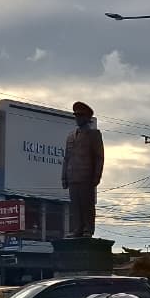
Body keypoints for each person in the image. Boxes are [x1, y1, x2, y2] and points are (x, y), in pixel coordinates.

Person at [62, 101, 105, 238]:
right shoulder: (70, 136)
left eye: (80, 116)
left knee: (87, 205)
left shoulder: (94, 135)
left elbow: (99, 157)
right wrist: (64, 177)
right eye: (76, 116)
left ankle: (88, 229)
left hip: (87, 176)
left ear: (87, 118)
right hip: (72, 176)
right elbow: (66, 158)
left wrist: (96, 176)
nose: (77, 118)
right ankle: (77, 229)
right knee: (75, 206)